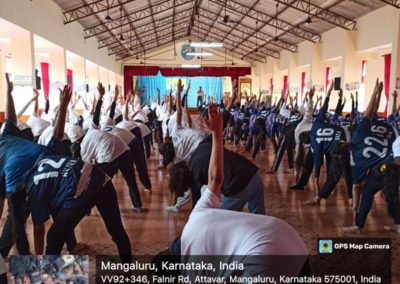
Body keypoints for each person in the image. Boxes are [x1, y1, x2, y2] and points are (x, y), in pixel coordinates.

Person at [180, 103, 309, 278]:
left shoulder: (192, 266)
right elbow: (215, 179)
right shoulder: (198, 213)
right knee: (252, 217)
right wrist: (217, 131)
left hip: (266, 252)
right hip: (289, 236)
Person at [10, 85, 132, 262]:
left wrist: (38, 259)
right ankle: (128, 267)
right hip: (100, 177)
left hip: (82, 186)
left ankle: (48, 273)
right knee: (116, 229)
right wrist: (64, 104)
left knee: (53, 238)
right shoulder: (43, 158)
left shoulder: (33, 190)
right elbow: (57, 134)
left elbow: (38, 229)